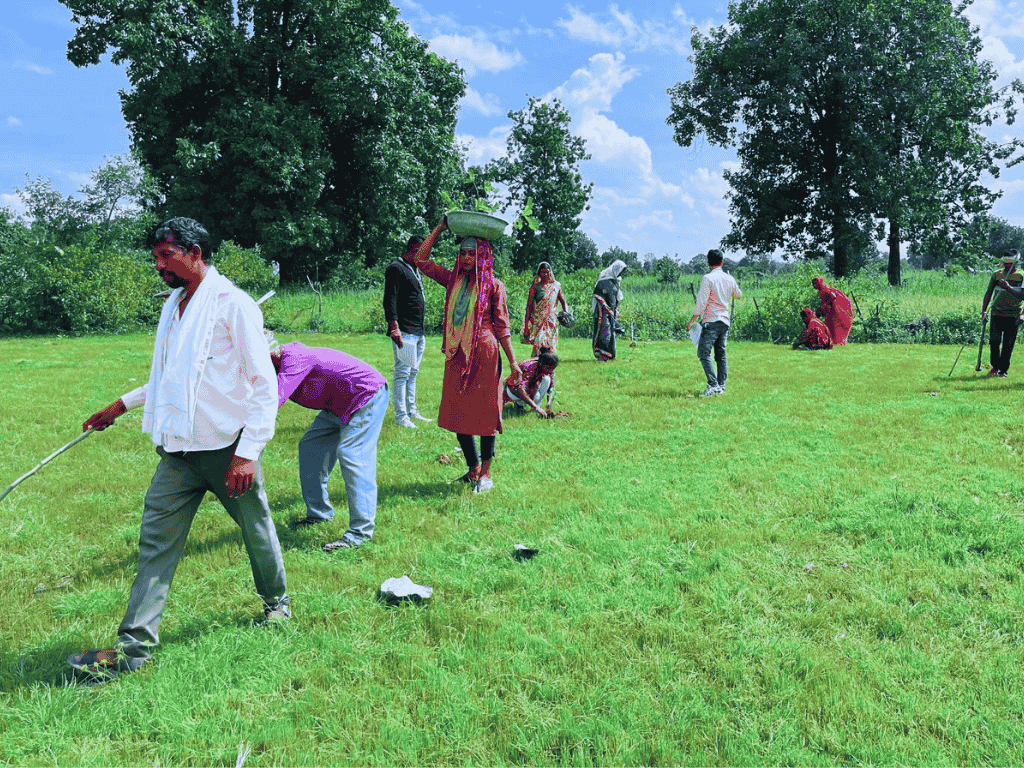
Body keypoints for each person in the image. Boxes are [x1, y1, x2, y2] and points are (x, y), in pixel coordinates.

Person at [69, 217, 288, 680]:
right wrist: (120, 405)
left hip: (228, 450)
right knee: (155, 544)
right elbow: (172, 376)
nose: (159, 266)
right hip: (178, 451)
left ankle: (277, 604)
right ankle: (134, 649)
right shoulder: (175, 304)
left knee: (256, 529)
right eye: (155, 257)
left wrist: (248, 452)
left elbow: (263, 383)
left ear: (194, 251)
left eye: (165, 256)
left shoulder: (233, 305)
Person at [414, 216, 522, 494]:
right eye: (462, 254)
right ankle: (472, 468)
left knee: (485, 414)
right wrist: (438, 227)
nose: (464, 259)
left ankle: (485, 474)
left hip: (484, 354)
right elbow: (421, 261)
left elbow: (502, 327)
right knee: (457, 411)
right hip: (457, 354)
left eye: (471, 255)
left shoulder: (495, 286)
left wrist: (512, 362)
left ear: (483, 256)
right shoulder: (453, 280)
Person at [271, 341, 388, 550]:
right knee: (311, 447)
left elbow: (273, 401)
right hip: (338, 404)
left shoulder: (293, 358)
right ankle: (319, 515)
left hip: (365, 396)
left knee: (353, 455)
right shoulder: (273, 366)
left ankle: (359, 535)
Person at [383, 234, 431, 428]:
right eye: (424, 251)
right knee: (402, 374)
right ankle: (401, 416)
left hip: (418, 331)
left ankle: (412, 411)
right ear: (415, 249)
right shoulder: (396, 268)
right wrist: (394, 327)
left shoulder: (414, 268)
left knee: (413, 373)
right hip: (405, 330)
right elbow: (390, 299)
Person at [687, 249, 743, 396]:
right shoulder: (729, 278)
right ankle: (721, 385)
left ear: (708, 263)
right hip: (724, 321)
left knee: (704, 354)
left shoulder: (708, 278)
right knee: (721, 355)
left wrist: (692, 319)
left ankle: (713, 385)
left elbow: (701, 302)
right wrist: (731, 282)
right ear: (722, 262)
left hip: (711, 320)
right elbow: (738, 295)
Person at [981, 250, 1024, 377]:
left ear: (1015, 263)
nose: (1007, 266)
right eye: (1005, 263)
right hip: (996, 313)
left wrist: (1008, 287)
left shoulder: (1021, 276)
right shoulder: (996, 275)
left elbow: (1022, 296)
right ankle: (994, 367)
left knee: (1008, 344)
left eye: (1010, 263)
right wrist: (983, 311)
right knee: (994, 342)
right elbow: (988, 293)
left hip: (1013, 315)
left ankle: (1003, 371)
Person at [522, 261, 567, 355]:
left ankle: (550, 366)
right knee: (539, 344)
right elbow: (529, 307)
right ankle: (536, 366)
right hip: (539, 322)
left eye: (547, 271)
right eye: (543, 272)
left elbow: (563, 301)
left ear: (550, 272)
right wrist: (526, 326)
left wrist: (566, 314)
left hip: (552, 321)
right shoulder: (535, 287)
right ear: (539, 273)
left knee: (550, 345)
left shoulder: (556, 286)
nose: (545, 274)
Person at [504, 347, 559, 417]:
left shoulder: (549, 367)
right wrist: (535, 407)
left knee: (547, 379)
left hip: (527, 386)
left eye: (552, 369)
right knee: (536, 397)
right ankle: (520, 405)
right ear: (541, 364)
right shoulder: (530, 368)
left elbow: (551, 387)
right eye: (548, 368)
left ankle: (535, 406)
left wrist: (549, 403)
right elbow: (520, 390)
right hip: (513, 389)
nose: (551, 371)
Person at [592, 259, 627, 361]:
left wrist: (616, 310)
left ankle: (609, 354)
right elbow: (598, 295)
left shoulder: (616, 282)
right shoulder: (603, 281)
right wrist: (606, 307)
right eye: (621, 271)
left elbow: (616, 298)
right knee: (604, 332)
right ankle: (602, 355)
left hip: (611, 312)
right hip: (602, 312)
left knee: (611, 333)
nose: (622, 273)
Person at [812, 276, 854, 346]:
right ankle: (834, 342)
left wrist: (829, 305)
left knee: (836, 325)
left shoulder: (825, 289)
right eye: (813, 284)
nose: (814, 285)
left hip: (835, 311)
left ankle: (838, 342)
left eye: (815, 283)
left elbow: (833, 296)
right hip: (831, 311)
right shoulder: (821, 290)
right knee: (831, 326)